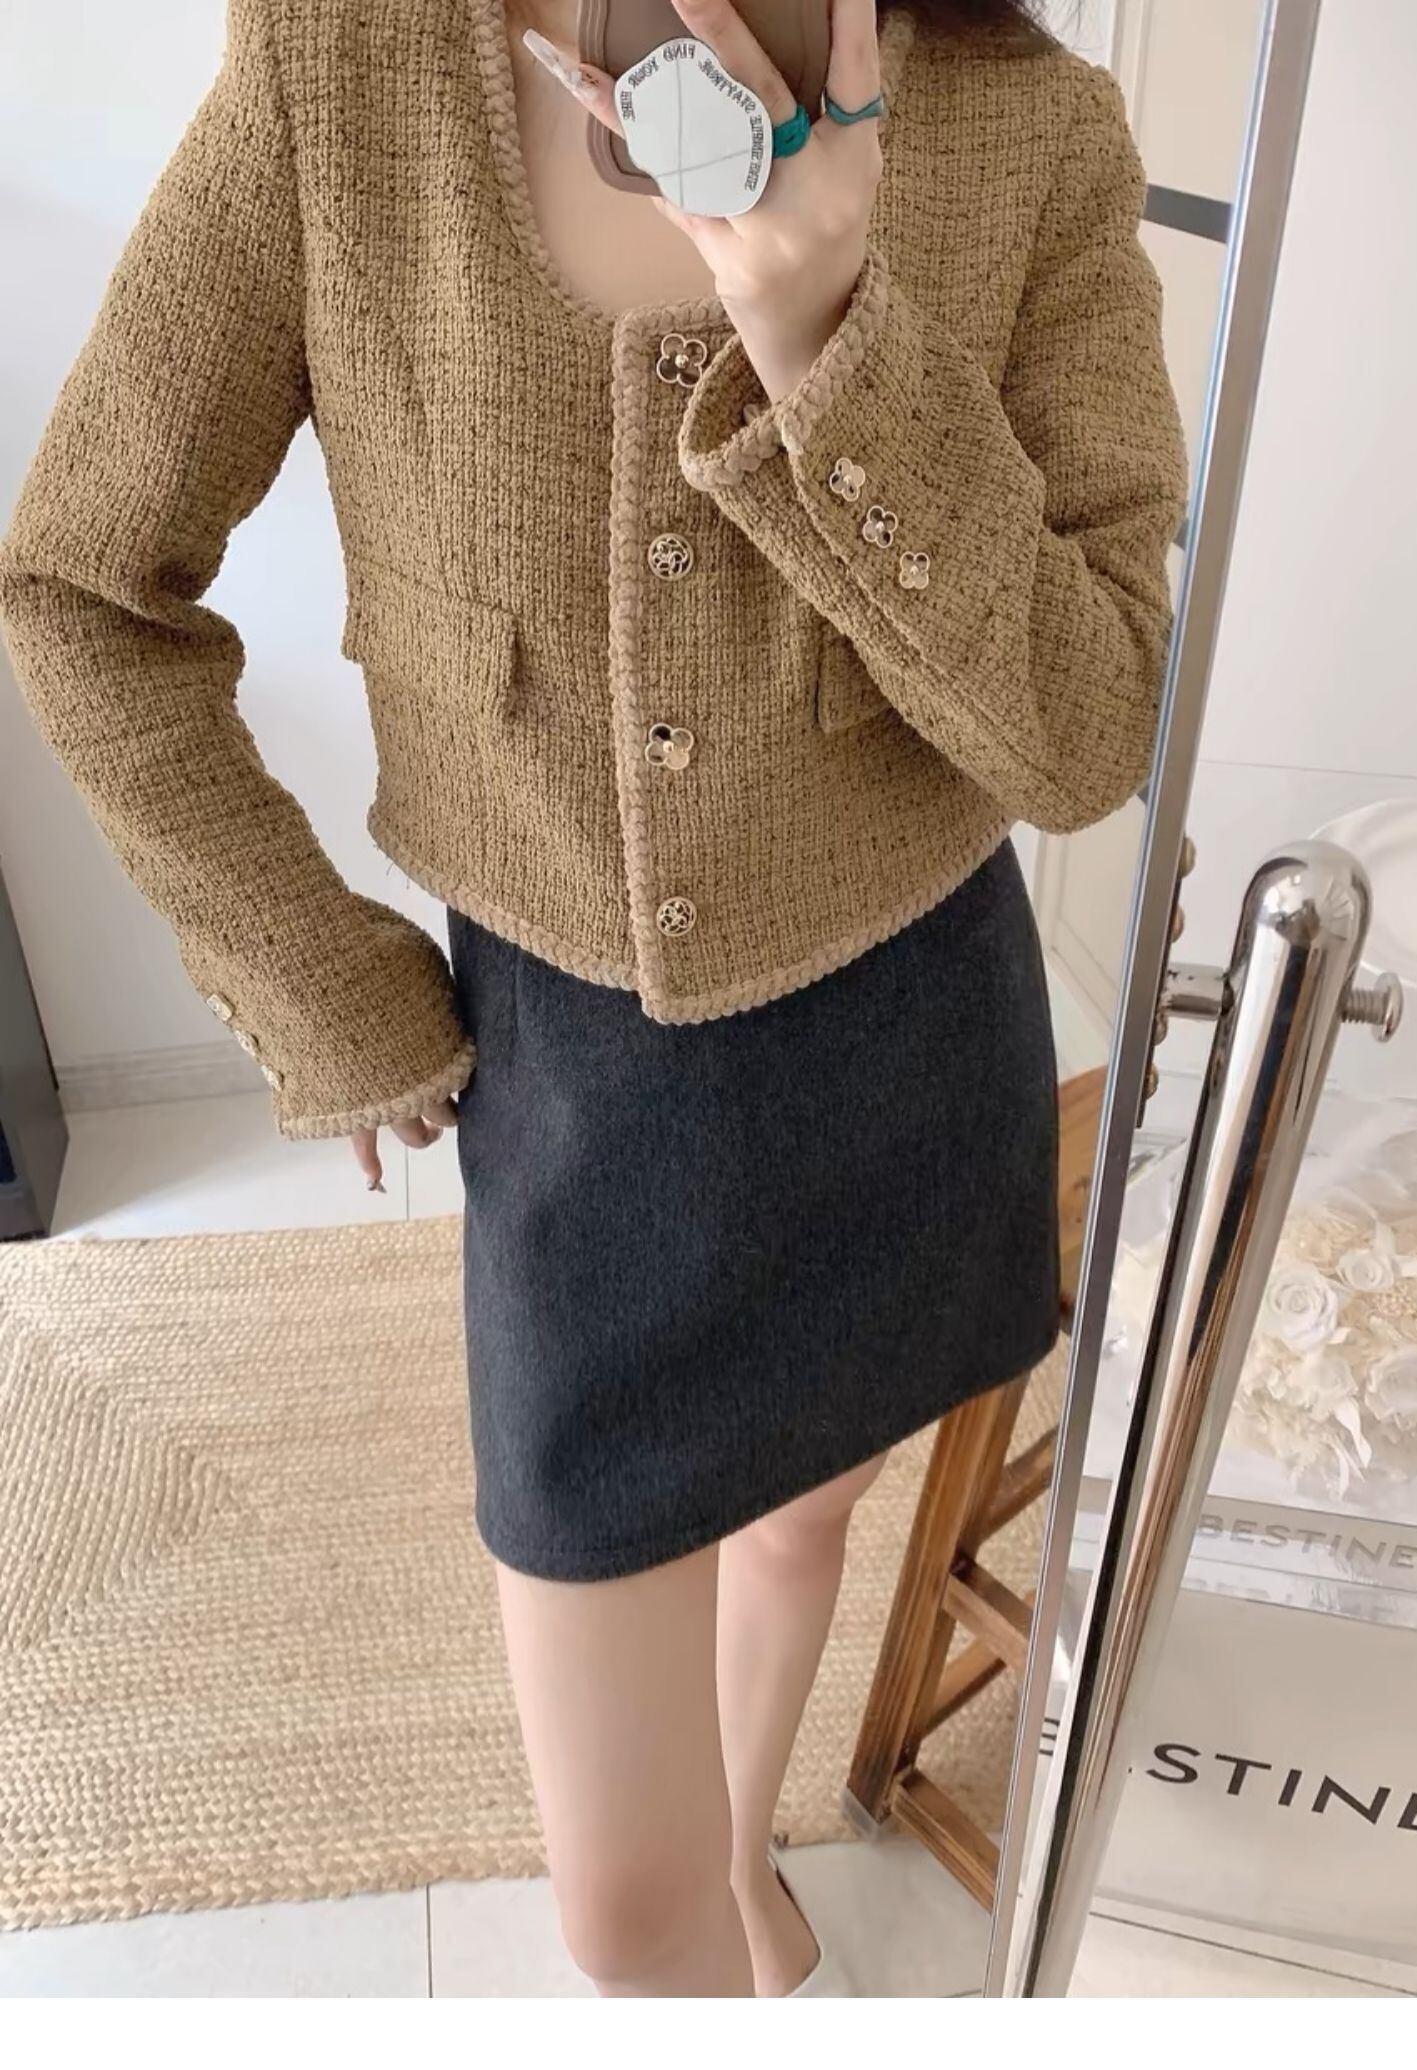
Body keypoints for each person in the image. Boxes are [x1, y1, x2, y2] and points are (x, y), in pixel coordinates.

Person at [0, 0, 1188, 1997]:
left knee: (801, 1533)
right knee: (623, 1921)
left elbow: (1083, 735)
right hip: (579, 1091)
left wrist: (826, 335)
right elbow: (81, 588)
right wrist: (326, 989)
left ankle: (746, 1849)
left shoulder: (1034, 128)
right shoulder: (343, 73)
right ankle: (692, 1898)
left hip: (910, 1037)